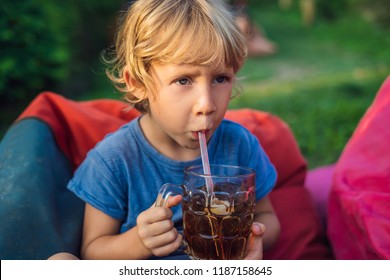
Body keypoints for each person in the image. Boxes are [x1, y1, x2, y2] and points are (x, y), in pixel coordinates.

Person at [52, 0, 280, 260]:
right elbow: (92, 252)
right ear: (137, 84)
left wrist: (247, 236)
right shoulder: (114, 160)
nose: (206, 104)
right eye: (183, 80)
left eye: (220, 78)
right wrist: (140, 240)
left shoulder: (239, 145)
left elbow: (267, 218)